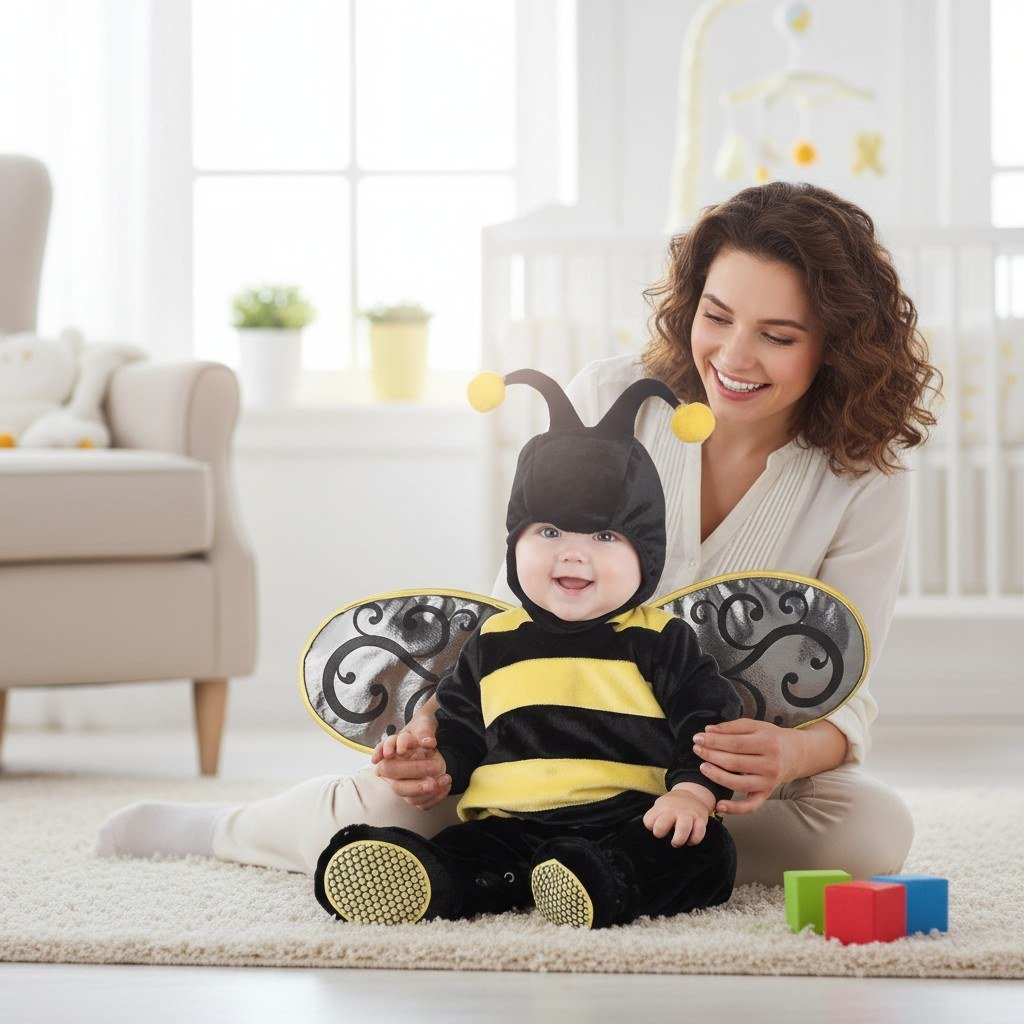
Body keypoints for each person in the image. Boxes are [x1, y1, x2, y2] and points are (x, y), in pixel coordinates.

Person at [95, 181, 939, 887]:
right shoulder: (610, 397)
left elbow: (848, 679)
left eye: (779, 336)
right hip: (544, 741)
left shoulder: (862, 472)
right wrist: (440, 728)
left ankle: (581, 855)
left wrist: (790, 757)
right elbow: (523, 597)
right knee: (397, 805)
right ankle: (223, 831)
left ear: (838, 346)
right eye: (716, 315)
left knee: (869, 832)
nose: (733, 354)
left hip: (701, 779)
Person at [314, 370, 743, 929]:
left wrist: (691, 794)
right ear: (514, 541)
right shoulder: (492, 642)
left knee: (708, 853)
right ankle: (426, 874)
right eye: (549, 532)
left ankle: (599, 877)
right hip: (510, 820)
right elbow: (464, 730)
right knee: (469, 851)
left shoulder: (660, 638)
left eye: (605, 538)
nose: (572, 555)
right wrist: (435, 762)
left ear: (648, 554)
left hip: (629, 820)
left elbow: (707, 722)